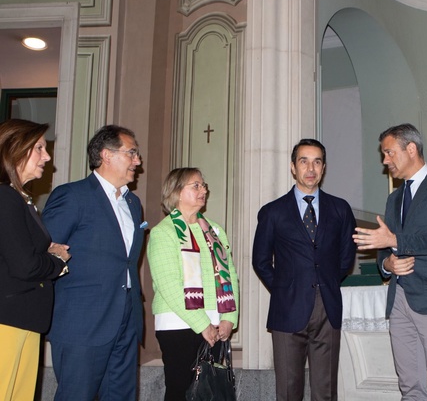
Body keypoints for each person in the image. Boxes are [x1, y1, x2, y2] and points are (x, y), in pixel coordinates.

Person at [354, 124, 427, 401]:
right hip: (400, 297)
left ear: (411, 149)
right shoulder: (395, 198)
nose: (385, 160)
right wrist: (388, 264)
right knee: (409, 387)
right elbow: (384, 246)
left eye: (389, 152)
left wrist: (396, 241)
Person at [43, 125, 145, 401]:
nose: (138, 161)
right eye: (132, 153)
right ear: (106, 155)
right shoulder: (72, 196)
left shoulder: (133, 204)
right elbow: (44, 254)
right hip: (82, 322)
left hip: (125, 318)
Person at [252, 139, 356, 401]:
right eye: (304, 161)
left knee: (325, 390)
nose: (311, 168)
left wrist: (327, 282)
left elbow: (346, 258)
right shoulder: (272, 212)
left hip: (328, 308)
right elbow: (261, 261)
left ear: (324, 168)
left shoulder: (340, 209)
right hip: (286, 308)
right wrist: (284, 288)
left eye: (317, 161)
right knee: (288, 390)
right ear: (293, 167)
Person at [148, 168, 239, 400]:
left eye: (204, 185)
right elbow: (168, 284)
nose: (204, 190)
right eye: (196, 186)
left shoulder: (214, 231)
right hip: (178, 325)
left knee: (211, 392)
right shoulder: (164, 233)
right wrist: (202, 324)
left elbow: (229, 273)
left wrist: (230, 317)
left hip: (217, 324)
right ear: (177, 192)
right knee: (182, 391)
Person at [0, 119, 70, 401]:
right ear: (15, 150)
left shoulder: (19, 198)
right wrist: (57, 261)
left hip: (23, 320)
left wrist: (44, 253)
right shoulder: (5, 198)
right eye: (39, 148)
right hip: (8, 320)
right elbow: (24, 265)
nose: (47, 156)